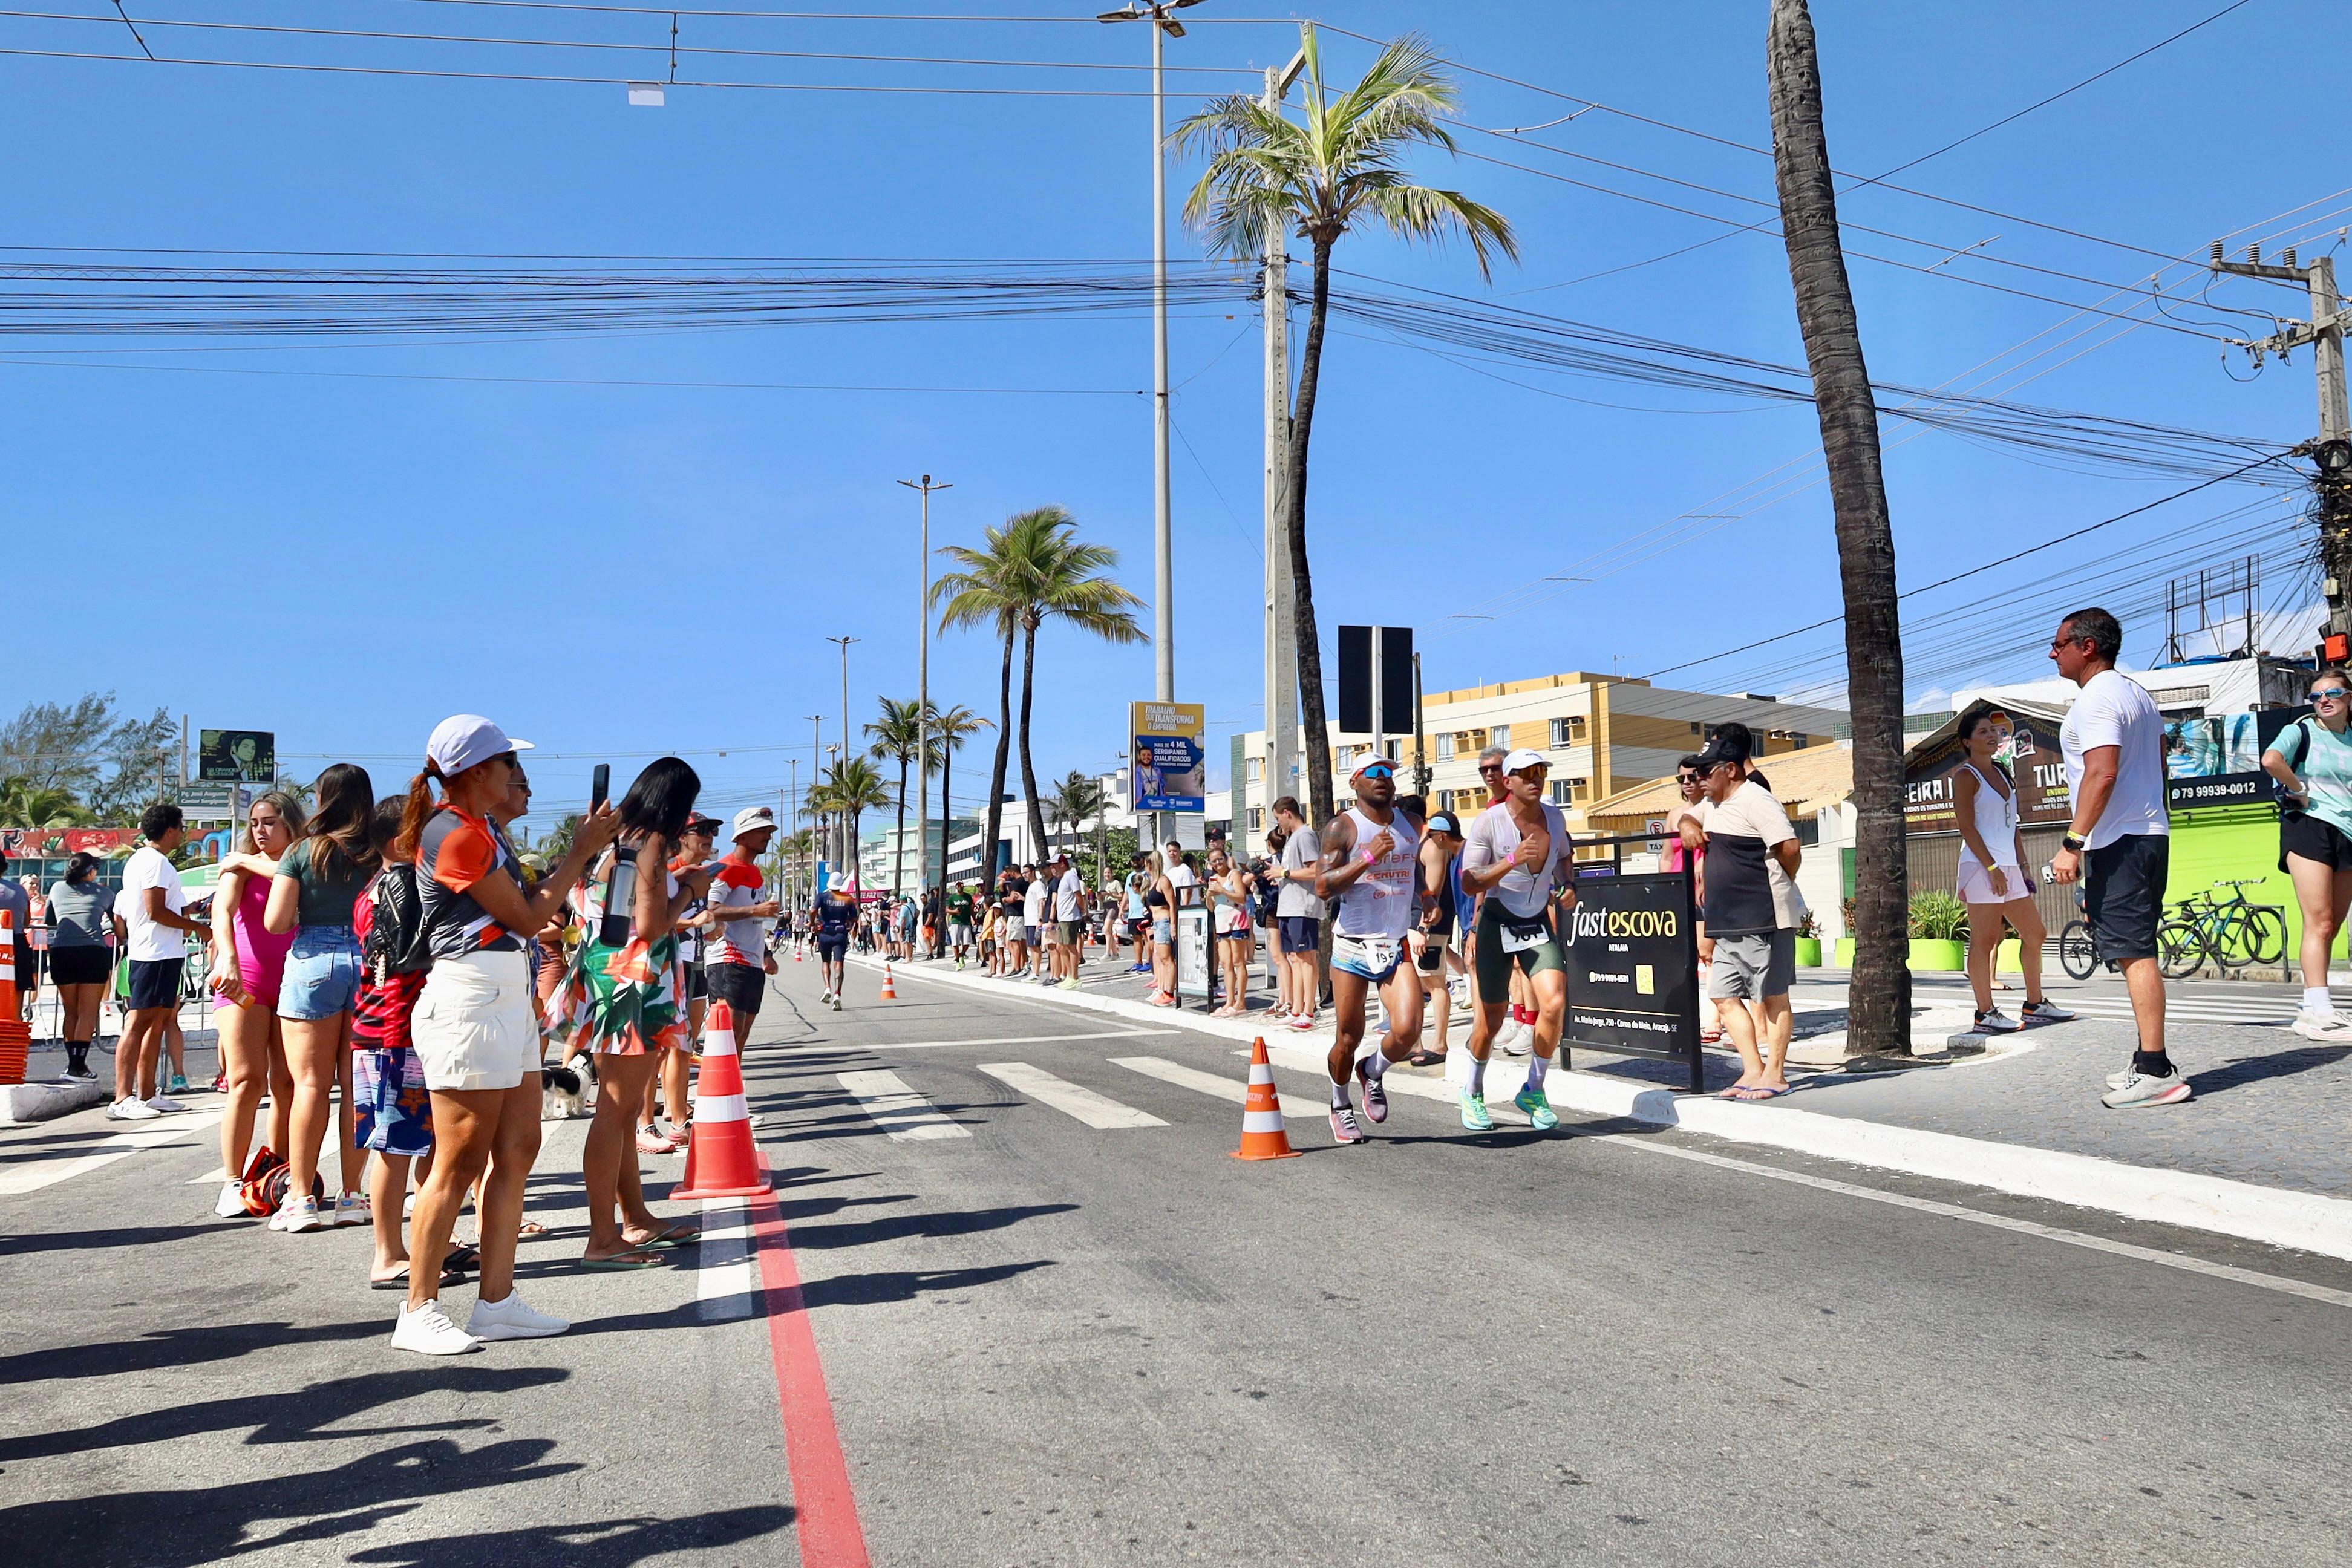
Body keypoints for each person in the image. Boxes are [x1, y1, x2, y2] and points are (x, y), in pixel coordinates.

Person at [391, 714, 621, 1354]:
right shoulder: (454, 832)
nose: (519, 775)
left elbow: (527, 909)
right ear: (475, 771)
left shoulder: (479, 828)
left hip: (502, 995)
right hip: (470, 998)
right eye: (509, 764)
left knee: (519, 1147)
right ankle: (418, 1309)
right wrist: (580, 850)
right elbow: (526, 916)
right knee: (459, 1159)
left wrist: (580, 852)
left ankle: (496, 1301)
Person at [550, 757, 715, 1275]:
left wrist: (675, 881)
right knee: (615, 1112)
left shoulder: (610, 836)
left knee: (619, 1112)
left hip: (606, 976)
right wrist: (692, 892)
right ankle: (602, 1237)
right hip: (635, 984)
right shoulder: (650, 843)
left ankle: (635, 1218)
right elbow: (650, 924)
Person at [2046, 609, 2183, 1109]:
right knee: (2133, 948)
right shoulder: (2137, 694)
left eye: (2059, 644)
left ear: (2087, 647)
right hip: (2146, 834)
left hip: (2121, 839)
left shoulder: (2099, 697)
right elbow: (2160, 762)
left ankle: (2156, 1070)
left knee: (2134, 952)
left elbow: (2101, 773)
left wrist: (2073, 843)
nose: (2052, 653)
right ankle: (2147, 1059)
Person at [267, 763, 378, 1233]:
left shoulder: (302, 851)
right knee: (356, 1087)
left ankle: (301, 1199)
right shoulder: (377, 850)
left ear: (322, 798)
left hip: (313, 960)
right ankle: (352, 1196)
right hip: (369, 962)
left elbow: (276, 921)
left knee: (310, 1085)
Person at [351, 799, 452, 1292]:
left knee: (422, 1141)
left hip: (389, 1030)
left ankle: (425, 1242)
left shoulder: (374, 889)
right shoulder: (402, 886)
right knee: (395, 1147)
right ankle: (388, 1253)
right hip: (396, 1032)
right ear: (403, 843)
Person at [1457, 750, 1572, 1131]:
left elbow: (1564, 857)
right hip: (1497, 920)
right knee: (1491, 1021)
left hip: (1536, 919)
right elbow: (1469, 881)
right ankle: (1473, 1090)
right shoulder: (1489, 822)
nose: (1536, 779)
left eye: (1540, 772)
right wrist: (1511, 860)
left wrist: (1569, 885)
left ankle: (1534, 1089)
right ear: (1508, 782)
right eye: (1526, 773)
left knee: (1554, 1003)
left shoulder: (1555, 817)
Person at [1312, 759, 1426, 1143]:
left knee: (1408, 1029)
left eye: (1388, 774)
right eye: (1373, 773)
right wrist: (1367, 858)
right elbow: (1323, 887)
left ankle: (1372, 1071)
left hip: (1395, 941)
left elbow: (1413, 864)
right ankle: (1340, 1103)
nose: (1383, 779)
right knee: (1349, 1037)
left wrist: (1427, 897)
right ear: (1355, 782)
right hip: (1353, 945)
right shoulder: (1342, 827)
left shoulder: (1411, 823)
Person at [1691, 733, 1802, 1100]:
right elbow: (1688, 816)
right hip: (1727, 922)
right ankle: (1752, 1070)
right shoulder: (1713, 803)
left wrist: (1783, 881)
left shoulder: (1756, 799)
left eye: (1705, 771)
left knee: (1772, 997)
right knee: (1723, 996)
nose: (1699, 779)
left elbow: (1789, 848)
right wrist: (1689, 825)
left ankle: (1776, 1075)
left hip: (1763, 917)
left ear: (1730, 770)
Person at [206, 794, 303, 1204]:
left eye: (270, 822)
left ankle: (277, 1174)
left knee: (287, 1083)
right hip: (244, 981)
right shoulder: (239, 867)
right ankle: (231, 1181)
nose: (260, 831)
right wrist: (226, 958)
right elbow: (221, 913)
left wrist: (248, 860)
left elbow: (297, 874)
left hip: (294, 981)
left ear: (290, 823)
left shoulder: (302, 863)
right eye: (255, 823)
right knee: (246, 1080)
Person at [1952, 710, 2072, 1034]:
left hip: (2009, 865)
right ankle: (1984, 1013)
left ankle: (2035, 1004)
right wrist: (1992, 868)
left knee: (2035, 934)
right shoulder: (1965, 776)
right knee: (1986, 939)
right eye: (1983, 732)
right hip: (1981, 866)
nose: (1992, 736)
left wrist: (2023, 866)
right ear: (1967, 742)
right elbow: (1966, 827)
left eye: (1994, 731)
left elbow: (2013, 824)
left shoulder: (2003, 772)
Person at [2262, 667, 2352, 1040]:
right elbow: (2271, 760)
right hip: (2309, 825)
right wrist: (2298, 788)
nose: (2324, 701)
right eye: (2316, 696)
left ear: (2350, 698)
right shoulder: (2301, 730)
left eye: (2332, 693)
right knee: (2319, 920)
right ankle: (2321, 1011)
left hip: (2347, 833)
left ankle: (2311, 1007)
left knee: (2332, 926)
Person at [113, 803, 207, 1121]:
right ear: (169, 830)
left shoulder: (145, 860)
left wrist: (189, 910)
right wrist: (198, 928)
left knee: (157, 1023)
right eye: (181, 828)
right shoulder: (155, 862)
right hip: (152, 953)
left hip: (164, 952)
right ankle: (122, 1097)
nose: (182, 834)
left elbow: (158, 907)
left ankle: (147, 1093)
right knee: (138, 1022)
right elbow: (155, 911)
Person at [647, 811, 720, 1155]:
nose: (708, 837)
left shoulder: (699, 875)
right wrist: (693, 922)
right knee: (658, 1048)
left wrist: (711, 927)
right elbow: (654, 922)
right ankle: (647, 1120)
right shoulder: (671, 873)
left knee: (683, 1045)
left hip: (694, 961)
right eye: (701, 831)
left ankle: (677, 1117)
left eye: (712, 831)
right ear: (682, 837)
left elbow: (698, 919)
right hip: (669, 963)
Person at [706, 806, 782, 1033]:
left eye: (769, 831)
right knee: (728, 1034)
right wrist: (755, 911)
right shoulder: (726, 868)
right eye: (762, 831)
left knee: (742, 1035)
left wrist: (766, 954)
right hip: (728, 960)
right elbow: (712, 910)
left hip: (753, 963)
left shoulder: (756, 873)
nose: (768, 837)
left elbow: (756, 921)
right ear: (742, 836)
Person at [42, 853, 114, 1082]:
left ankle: (71, 1064)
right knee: (88, 1011)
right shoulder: (104, 893)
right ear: (91, 872)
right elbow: (116, 921)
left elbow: (49, 920)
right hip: (92, 951)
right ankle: (78, 1066)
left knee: (71, 1010)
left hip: (62, 951)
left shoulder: (56, 888)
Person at [1410, 810, 1467, 1067]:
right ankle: (1415, 1043)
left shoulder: (1433, 846)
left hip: (1431, 924)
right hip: (1414, 924)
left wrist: (1424, 928)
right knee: (1415, 984)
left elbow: (1432, 892)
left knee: (1435, 983)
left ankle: (1440, 1044)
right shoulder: (1421, 843)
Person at [1269, 797, 1325, 1031]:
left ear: (1287, 813)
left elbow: (1315, 871)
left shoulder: (1305, 835)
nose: (1278, 824)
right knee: (1294, 958)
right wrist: (1279, 875)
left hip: (1302, 907)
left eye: (1277, 818)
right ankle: (1297, 1009)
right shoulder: (1292, 838)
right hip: (1288, 906)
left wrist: (1285, 873)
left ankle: (1309, 1012)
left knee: (1306, 957)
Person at [1206, 848, 1252, 1018]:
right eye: (1214, 861)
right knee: (1226, 964)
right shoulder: (1213, 879)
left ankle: (1241, 1002)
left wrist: (1223, 891)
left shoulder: (1234, 875)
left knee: (1238, 962)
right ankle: (1230, 1001)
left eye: (1220, 859)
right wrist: (1209, 895)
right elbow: (1211, 907)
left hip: (1237, 922)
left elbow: (1242, 898)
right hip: (1222, 924)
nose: (1218, 863)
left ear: (1225, 859)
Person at [813, 878, 855, 1009]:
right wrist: (847, 921)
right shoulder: (848, 898)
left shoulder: (822, 897)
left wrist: (813, 923)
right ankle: (837, 994)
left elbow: (813, 911)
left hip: (825, 933)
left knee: (825, 962)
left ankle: (827, 987)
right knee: (839, 964)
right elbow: (854, 917)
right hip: (840, 934)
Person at [1143, 851, 1178, 1005]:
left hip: (1164, 921)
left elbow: (1172, 904)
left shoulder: (1163, 881)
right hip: (1157, 923)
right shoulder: (1153, 882)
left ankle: (1169, 992)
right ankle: (1163, 989)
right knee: (1159, 958)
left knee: (1167, 958)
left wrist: (1173, 925)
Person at [1052, 852, 1085, 990]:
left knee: (1071, 947)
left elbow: (1078, 896)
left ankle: (1075, 977)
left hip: (1070, 917)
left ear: (1062, 864)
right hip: (1063, 918)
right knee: (1060, 947)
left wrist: (1082, 910)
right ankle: (1069, 975)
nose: (1052, 868)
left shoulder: (1071, 876)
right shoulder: (1064, 878)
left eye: (1054, 865)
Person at [1021, 864, 1050, 981]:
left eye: (1026, 872)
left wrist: (1040, 919)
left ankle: (1036, 973)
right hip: (1029, 921)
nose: (1025, 875)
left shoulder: (1039, 885)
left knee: (1036, 946)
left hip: (1035, 921)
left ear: (1033, 872)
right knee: (1031, 947)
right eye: (1023, 873)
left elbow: (1042, 902)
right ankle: (1034, 971)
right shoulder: (1031, 886)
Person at [946, 881, 976, 969]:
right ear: (956, 886)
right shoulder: (952, 897)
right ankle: (958, 962)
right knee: (955, 943)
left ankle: (961, 955)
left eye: (961, 885)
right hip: (956, 922)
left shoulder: (968, 897)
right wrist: (954, 912)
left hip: (966, 922)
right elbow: (947, 909)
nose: (960, 886)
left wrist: (974, 919)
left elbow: (971, 908)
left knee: (967, 942)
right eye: (958, 885)